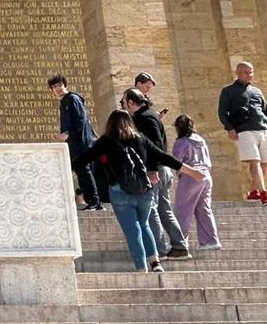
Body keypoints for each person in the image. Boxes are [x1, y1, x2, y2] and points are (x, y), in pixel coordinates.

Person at [73, 110, 206, 273]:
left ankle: (141, 267)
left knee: (132, 230)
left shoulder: (105, 141)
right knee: (144, 226)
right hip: (144, 192)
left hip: (120, 192)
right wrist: (191, 171)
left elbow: (82, 160)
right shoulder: (141, 139)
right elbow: (163, 156)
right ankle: (155, 262)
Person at [123, 88, 190, 260]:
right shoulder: (150, 115)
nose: (123, 106)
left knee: (151, 210)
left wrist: (152, 169)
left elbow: (155, 145)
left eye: (124, 102)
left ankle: (159, 249)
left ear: (131, 103)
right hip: (163, 169)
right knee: (164, 209)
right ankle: (180, 246)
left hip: (155, 170)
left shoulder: (144, 118)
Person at [217, 62, 267, 205]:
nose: (249, 75)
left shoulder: (257, 91)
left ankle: (253, 191)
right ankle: (264, 193)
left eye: (250, 72)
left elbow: (266, 110)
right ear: (237, 73)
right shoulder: (228, 91)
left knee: (266, 161)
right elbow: (222, 112)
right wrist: (229, 128)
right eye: (245, 72)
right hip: (244, 129)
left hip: (262, 129)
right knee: (254, 160)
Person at [49, 75, 102, 211]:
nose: (57, 88)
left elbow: (81, 119)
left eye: (59, 85)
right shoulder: (64, 102)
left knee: (84, 171)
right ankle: (93, 201)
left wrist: (66, 133)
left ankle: (95, 202)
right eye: (54, 87)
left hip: (81, 142)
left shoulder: (72, 98)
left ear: (65, 85)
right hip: (75, 142)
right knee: (81, 171)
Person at [171, 115, 221, 251]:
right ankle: (210, 241)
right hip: (206, 175)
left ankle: (180, 241)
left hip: (190, 175)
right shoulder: (201, 140)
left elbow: (176, 161)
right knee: (204, 208)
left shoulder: (181, 142)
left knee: (183, 209)